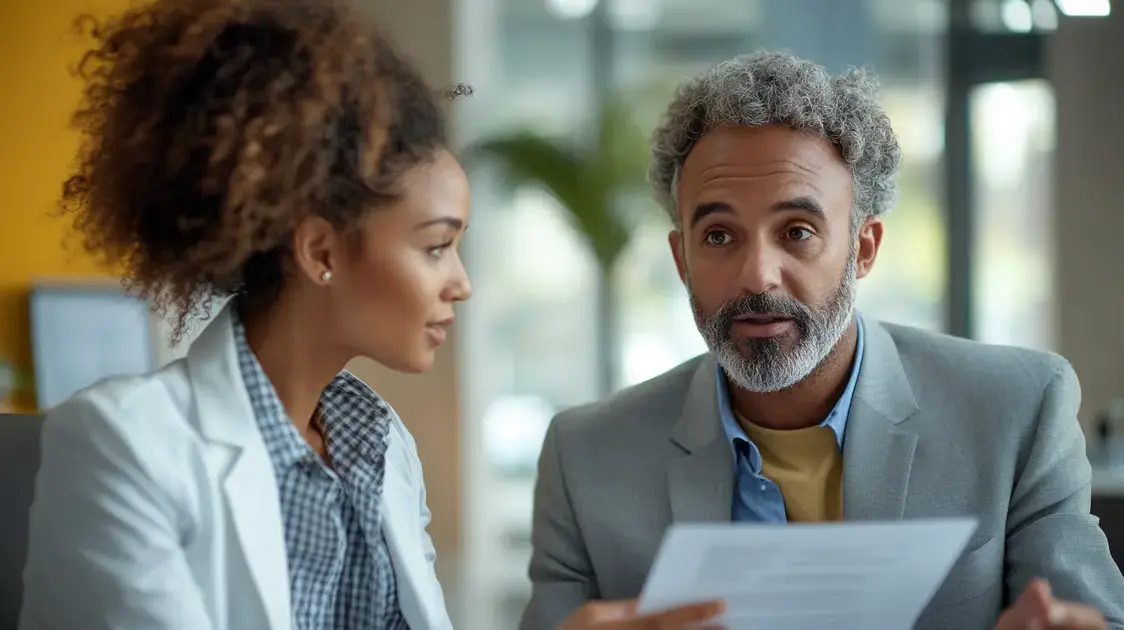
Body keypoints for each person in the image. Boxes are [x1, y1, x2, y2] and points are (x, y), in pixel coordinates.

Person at [17, 1, 725, 629]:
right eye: (437, 247)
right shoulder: (121, 445)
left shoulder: (381, 448)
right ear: (321, 250)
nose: (462, 284)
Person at [520, 51, 1124, 630]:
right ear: (681, 258)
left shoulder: (1015, 412)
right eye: (719, 237)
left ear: (863, 248)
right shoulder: (587, 458)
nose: (758, 275)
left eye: (798, 231)